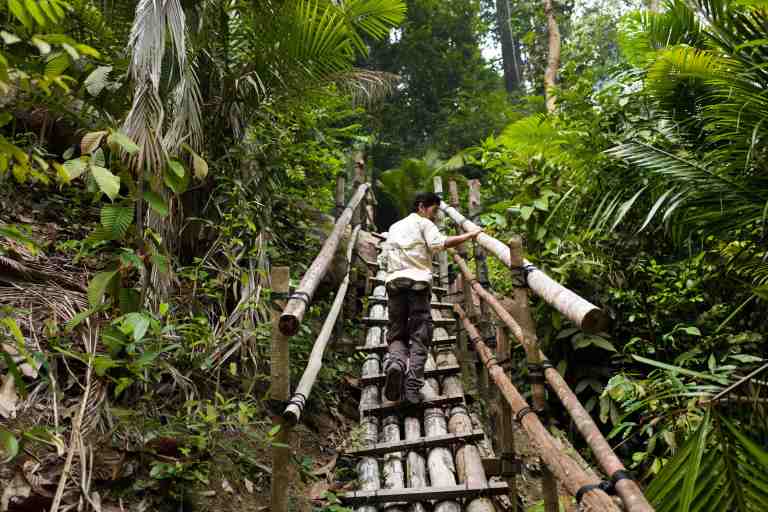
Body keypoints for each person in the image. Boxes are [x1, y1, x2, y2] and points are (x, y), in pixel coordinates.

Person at [379, 192, 482, 404]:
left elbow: (383, 259)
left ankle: (396, 364)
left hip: (395, 283)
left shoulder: (395, 227)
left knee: (396, 332)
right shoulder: (424, 223)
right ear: (421, 207)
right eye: (433, 210)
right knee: (420, 334)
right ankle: (412, 385)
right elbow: (439, 244)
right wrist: (469, 235)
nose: (434, 215)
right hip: (418, 284)